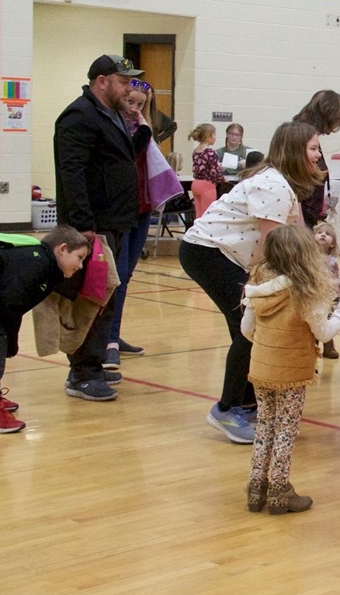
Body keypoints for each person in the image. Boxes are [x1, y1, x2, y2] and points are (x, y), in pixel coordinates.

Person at [180, 121, 323, 444]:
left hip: (223, 254)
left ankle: (245, 404)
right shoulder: (272, 185)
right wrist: (269, 289)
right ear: (295, 151)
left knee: (249, 326)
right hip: (207, 252)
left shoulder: (285, 184)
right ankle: (227, 409)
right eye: (313, 149)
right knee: (251, 324)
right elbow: (269, 249)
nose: (317, 156)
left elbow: (296, 233)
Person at [53, 53, 150, 402]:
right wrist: (83, 227)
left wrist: (142, 131)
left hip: (115, 222)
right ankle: (82, 372)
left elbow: (116, 163)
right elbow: (72, 173)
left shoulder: (111, 116)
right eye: (123, 81)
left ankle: (91, 365)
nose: (129, 88)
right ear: (101, 82)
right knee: (90, 297)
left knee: (104, 296)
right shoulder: (80, 116)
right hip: (94, 227)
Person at [242, 225, 340, 514]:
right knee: (285, 429)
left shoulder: (257, 286)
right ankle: (280, 491)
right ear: (304, 255)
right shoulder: (306, 291)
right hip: (292, 372)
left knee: (265, 426)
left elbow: (247, 330)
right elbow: (324, 332)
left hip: (260, 367)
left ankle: (256, 489)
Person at [0, 226, 91, 433]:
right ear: (62, 249)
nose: (81, 265)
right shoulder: (36, 264)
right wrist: (9, 341)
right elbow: (10, 304)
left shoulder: (43, 263)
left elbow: (13, 305)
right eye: (79, 257)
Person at [104, 81, 183, 371]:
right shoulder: (120, 130)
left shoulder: (144, 130)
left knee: (127, 277)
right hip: (121, 211)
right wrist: (144, 128)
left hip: (142, 208)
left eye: (140, 105)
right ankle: (108, 339)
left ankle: (114, 334)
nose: (133, 109)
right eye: (130, 103)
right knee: (117, 276)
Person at [292, 90, 340, 227]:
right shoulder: (301, 135)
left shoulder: (306, 133)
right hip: (301, 216)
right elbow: (297, 184)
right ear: (329, 115)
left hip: (308, 214)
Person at [313, 221, 340, 358]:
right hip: (313, 294)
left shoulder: (332, 260)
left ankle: (328, 345)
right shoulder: (309, 258)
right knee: (314, 320)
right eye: (319, 233)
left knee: (328, 318)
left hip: (328, 296)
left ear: (332, 243)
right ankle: (313, 348)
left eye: (327, 234)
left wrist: (338, 291)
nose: (323, 235)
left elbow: (336, 277)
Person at [189, 123, 225, 218]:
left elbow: (201, 165)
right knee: (207, 214)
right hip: (206, 185)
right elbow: (215, 171)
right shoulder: (210, 152)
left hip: (196, 183)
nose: (215, 137)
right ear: (208, 137)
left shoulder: (196, 150)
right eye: (214, 135)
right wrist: (223, 179)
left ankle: (197, 231)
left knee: (198, 214)